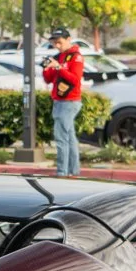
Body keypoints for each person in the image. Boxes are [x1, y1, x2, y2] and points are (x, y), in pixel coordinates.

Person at [43, 27, 85, 177]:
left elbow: (75, 79)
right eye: (55, 43)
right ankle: (73, 171)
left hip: (69, 101)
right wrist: (47, 68)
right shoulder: (59, 56)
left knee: (61, 138)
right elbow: (48, 79)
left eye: (60, 42)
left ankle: (62, 171)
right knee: (69, 137)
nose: (57, 46)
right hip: (60, 100)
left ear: (68, 40)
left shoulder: (75, 57)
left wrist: (59, 68)